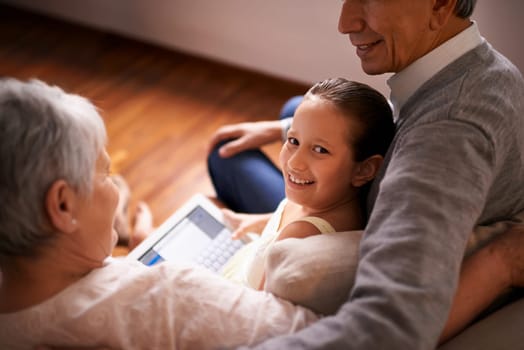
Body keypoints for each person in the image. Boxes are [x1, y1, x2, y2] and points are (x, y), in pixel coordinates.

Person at [207, 0, 524, 348]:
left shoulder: (451, 130)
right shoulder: (484, 71)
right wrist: (283, 130)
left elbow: (392, 325)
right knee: (294, 108)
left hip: (343, 220)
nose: (345, 22)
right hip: (350, 203)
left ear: (440, 3)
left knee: (224, 157)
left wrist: (499, 265)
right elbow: (403, 117)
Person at [0, 78, 319, 349]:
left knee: (295, 113)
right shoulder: (169, 295)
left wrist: (131, 258)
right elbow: (321, 334)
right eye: (106, 175)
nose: (113, 188)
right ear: (63, 206)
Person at [221, 77, 393, 311]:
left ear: (364, 169)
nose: (294, 162)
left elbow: (253, 315)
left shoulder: (302, 233)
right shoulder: (321, 199)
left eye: (320, 150)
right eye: (293, 140)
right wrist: (262, 222)